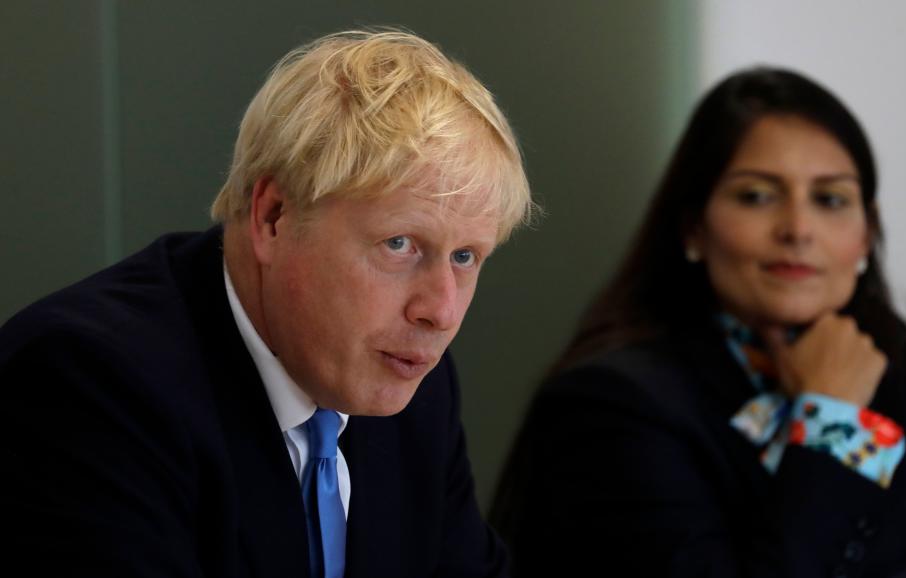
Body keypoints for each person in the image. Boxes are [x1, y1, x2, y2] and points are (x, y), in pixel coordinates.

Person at [0, 29, 532, 577]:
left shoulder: (413, 386)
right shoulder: (87, 383)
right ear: (273, 216)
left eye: (466, 257)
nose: (440, 312)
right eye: (399, 245)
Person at [490, 67, 906, 577]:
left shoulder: (878, 356)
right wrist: (831, 418)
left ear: (866, 237)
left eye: (830, 199)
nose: (798, 229)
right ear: (693, 227)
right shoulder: (609, 405)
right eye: (757, 196)